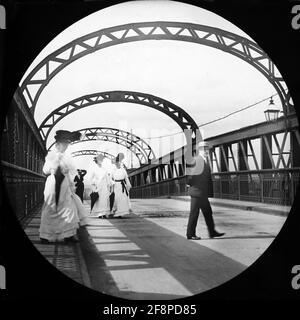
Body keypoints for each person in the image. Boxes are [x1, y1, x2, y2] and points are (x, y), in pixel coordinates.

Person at [39, 130, 88, 243]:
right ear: (58, 144)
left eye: (67, 144)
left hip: (65, 184)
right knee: (51, 208)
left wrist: (72, 184)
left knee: (68, 208)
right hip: (53, 183)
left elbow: (72, 171)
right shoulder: (51, 155)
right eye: (64, 144)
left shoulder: (67, 157)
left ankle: (68, 235)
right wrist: (55, 163)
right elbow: (45, 170)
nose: (65, 146)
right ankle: (45, 235)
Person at [185, 141, 225, 240]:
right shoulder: (199, 160)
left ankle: (212, 232)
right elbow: (191, 175)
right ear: (200, 150)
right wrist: (190, 183)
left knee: (208, 212)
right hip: (197, 192)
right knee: (194, 213)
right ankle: (190, 234)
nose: (207, 151)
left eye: (208, 149)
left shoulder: (202, 160)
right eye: (205, 149)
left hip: (201, 193)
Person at [88, 154, 112, 218]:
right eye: (99, 160)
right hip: (98, 186)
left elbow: (107, 178)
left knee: (104, 199)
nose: (101, 161)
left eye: (101, 160)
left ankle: (104, 213)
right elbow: (90, 178)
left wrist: (109, 186)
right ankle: (100, 213)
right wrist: (93, 185)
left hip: (104, 186)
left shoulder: (104, 169)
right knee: (99, 200)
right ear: (96, 161)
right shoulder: (94, 169)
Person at [111, 154, 132, 218]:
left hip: (122, 185)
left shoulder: (123, 170)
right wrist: (112, 183)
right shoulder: (113, 170)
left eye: (119, 162)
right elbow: (110, 178)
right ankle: (116, 211)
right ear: (115, 163)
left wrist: (128, 184)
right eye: (116, 162)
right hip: (116, 186)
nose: (118, 164)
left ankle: (121, 212)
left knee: (122, 199)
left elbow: (126, 178)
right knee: (116, 198)